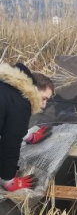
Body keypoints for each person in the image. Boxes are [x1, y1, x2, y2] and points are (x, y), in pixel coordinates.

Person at [0, 62, 54, 192]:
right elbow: (10, 143)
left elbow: (10, 122)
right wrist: (8, 180)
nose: (44, 105)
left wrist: (30, 137)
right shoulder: (21, 102)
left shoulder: (8, 89)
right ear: (35, 89)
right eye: (44, 98)